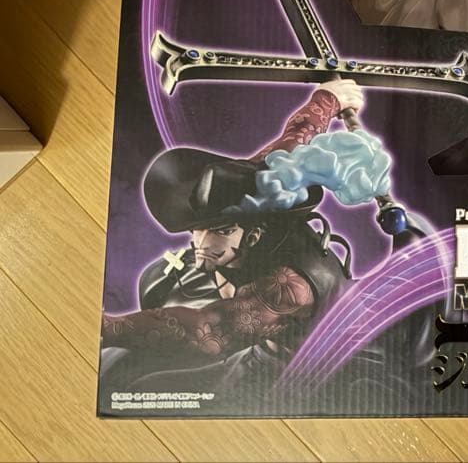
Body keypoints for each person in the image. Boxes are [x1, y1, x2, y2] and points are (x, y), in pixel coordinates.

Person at [99, 79, 375, 396]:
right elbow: (293, 140)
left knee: (145, 386)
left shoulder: (288, 286)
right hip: (260, 342)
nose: (201, 244)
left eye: (221, 230)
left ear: (253, 235)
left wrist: (107, 327)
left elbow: (208, 333)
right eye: (198, 229)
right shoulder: (253, 189)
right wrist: (327, 100)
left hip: (304, 374)